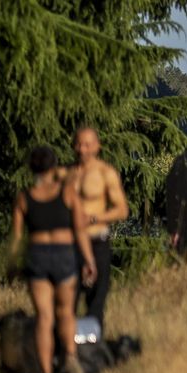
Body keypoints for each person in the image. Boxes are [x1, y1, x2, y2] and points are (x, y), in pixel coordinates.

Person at [10, 146, 97, 373]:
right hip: (64, 254)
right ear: (54, 167)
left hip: (37, 255)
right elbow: (80, 230)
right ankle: (70, 356)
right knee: (66, 312)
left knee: (44, 317)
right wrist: (89, 260)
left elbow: (16, 237)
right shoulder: (68, 193)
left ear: (32, 168)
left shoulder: (24, 197)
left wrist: (12, 264)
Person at [66, 125, 128, 327]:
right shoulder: (67, 174)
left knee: (96, 301)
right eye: (78, 144)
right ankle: (65, 350)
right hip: (69, 243)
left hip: (97, 240)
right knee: (67, 300)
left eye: (87, 144)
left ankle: (94, 348)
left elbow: (121, 210)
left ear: (97, 146)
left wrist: (93, 218)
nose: (82, 149)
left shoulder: (105, 173)